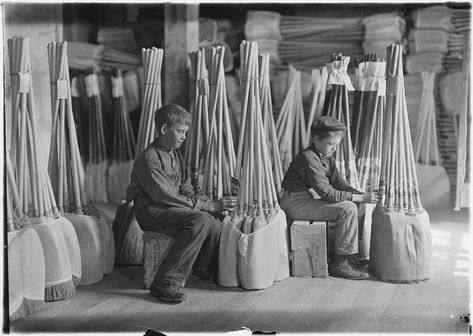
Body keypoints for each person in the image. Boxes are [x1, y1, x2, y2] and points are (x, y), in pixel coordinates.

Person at [126, 103, 237, 303]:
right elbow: (164, 195)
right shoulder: (149, 158)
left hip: (168, 206)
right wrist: (208, 205)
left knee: (213, 221)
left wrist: (198, 200)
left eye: (185, 132)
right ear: (163, 129)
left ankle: (201, 267)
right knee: (200, 220)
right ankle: (164, 284)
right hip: (151, 210)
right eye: (180, 131)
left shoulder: (174, 152)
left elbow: (185, 183)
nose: (184, 137)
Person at [280, 116, 379, 280]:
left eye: (336, 145)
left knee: (358, 205)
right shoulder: (308, 157)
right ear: (316, 139)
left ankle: (349, 256)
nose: (334, 149)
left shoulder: (326, 158)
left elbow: (340, 184)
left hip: (306, 199)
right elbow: (328, 193)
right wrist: (359, 198)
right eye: (331, 144)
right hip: (293, 203)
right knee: (347, 209)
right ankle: (339, 263)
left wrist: (363, 196)